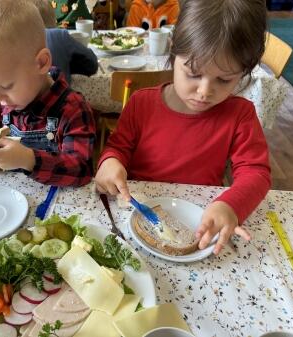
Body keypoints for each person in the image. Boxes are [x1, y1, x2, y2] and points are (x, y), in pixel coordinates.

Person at [95, 0, 270, 255]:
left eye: (224, 80)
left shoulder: (240, 115)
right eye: (193, 73)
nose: (204, 91)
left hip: (199, 223)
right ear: (173, 54)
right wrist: (109, 162)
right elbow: (117, 147)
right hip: (135, 218)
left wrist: (231, 205)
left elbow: (256, 172)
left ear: (243, 73)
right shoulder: (141, 103)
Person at [0, 0, 96, 187]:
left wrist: (28, 160)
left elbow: (82, 171)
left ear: (41, 63)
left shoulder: (73, 109)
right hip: (11, 200)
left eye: (6, 86)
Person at [29, 0, 98, 83]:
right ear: (54, 18)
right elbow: (92, 64)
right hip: (61, 94)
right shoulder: (59, 35)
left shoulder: (19, 43)